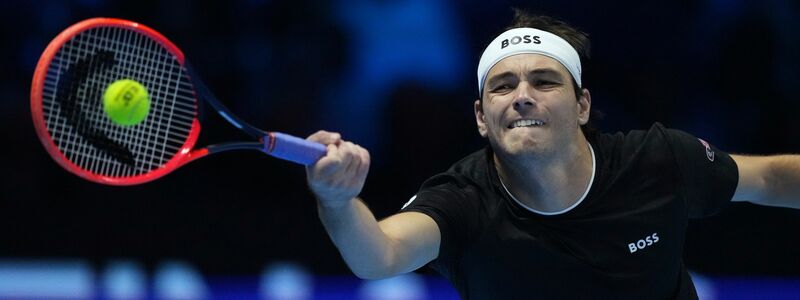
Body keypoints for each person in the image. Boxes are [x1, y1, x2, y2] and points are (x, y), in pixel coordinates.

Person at [305, 9, 800, 299]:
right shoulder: (463, 201)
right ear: (482, 117)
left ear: (582, 105)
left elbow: (774, 180)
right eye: (503, 86)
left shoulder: (659, 160)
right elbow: (379, 255)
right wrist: (336, 200)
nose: (522, 95)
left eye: (544, 81)